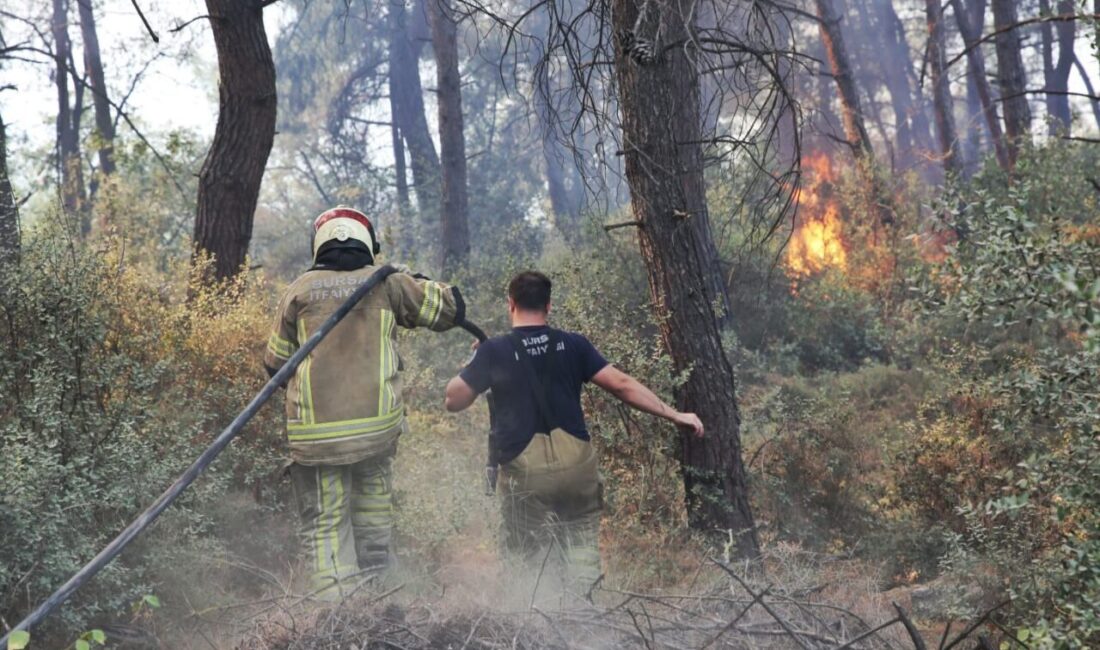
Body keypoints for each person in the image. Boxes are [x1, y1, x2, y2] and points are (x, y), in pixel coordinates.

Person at [443, 271, 703, 588]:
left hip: (527, 474)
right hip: (577, 468)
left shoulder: (494, 351)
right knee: (581, 552)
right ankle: (586, 608)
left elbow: (453, 400)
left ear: (510, 304)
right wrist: (675, 414)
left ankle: (533, 609)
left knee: (525, 558)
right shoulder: (573, 344)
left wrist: (475, 360)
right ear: (548, 305)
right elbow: (622, 385)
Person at [263, 207, 466, 599]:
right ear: (368, 244)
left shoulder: (298, 291)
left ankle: (335, 616)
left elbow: (275, 365)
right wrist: (412, 276)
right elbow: (450, 309)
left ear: (318, 244)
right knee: (373, 517)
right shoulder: (387, 284)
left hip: (317, 441)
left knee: (326, 525)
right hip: (375, 433)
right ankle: (382, 602)